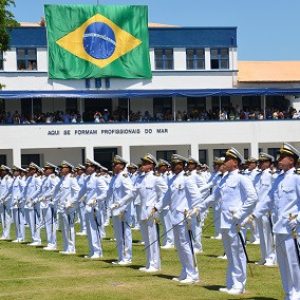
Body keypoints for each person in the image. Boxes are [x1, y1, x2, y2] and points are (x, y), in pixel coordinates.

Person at [199, 148, 258, 295]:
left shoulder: (242, 178)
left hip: (235, 222)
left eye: (228, 160)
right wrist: (199, 207)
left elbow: (253, 198)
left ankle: (239, 285)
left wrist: (240, 214)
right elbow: (215, 197)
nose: (224, 162)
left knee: (238, 254)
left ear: (235, 162)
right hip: (225, 222)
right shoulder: (224, 178)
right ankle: (231, 283)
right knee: (230, 255)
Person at [249, 143, 300, 300]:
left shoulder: (297, 178)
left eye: (282, 157)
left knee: (294, 264)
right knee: (284, 265)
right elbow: (268, 200)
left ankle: (297, 293)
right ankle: (288, 293)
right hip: (279, 228)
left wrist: (297, 218)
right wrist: (253, 215)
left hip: (293, 229)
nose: (279, 160)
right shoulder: (278, 179)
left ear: (291, 160)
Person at [167, 154, 202, 284]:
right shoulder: (172, 180)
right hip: (175, 217)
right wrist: (156, 207)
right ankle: (185, 271)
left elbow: (197, 197)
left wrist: (193, 211)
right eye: (174, 165)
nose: (175, 167)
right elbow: (167, 197)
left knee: (186, 246)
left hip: (184, 217)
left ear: (182, 166)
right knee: (180, 246)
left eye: (177, 165)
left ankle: (193, 274)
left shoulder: (187, 179)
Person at [134, 153, 168, 272]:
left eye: (145, 163)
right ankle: (149, 263)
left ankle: (155, 264)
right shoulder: (141, 178)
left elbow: (166, 193)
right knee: (147, 239)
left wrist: (157, 206)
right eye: (142, 163)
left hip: (151, 212)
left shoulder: (156, 179)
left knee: (152, 239)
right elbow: (133, 193)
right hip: (143, 212)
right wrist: (119, 203)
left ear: (151, 165)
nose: (142, 165)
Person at [79, 159, 108, 259]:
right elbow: (81, 192)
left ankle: (98, 252)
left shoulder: (98, 178)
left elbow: (105, 192)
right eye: (86, 166)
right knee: (89, 231)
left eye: (88, 166)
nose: (86, 168)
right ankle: (92, 251)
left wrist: (96, 199)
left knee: (94, 230)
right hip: (87, 208)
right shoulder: (87, 179)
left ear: (94, 168)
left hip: (95, 208)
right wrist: (74, 201)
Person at [251, 153, 277, 266]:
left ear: (269, 163)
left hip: (267, 210)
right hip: (257, 209)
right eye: (259, 162)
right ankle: (264, 256)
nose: (260, 164)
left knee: (269, 235)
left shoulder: (272, 175)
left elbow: (274, 193)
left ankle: (271, 257)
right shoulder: (257, 176)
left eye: (263, 162)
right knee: (261, 234)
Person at [108, 155, 134, 265]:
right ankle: (121, 257)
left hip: (123, 210)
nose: (114, 166)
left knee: (125, 234)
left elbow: (130, 193)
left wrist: (120, 204)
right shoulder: (115, 178)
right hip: (116, 210)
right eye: (113, 164)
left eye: (116, 164)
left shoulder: (124, 177)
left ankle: (127, 258)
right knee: (118, 235)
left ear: (122, 166)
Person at [54, 161, 80, 254]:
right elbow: (59, 193)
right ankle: (66, 247)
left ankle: (71, 248)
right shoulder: (63, 179)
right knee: (64, 228)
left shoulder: (71, 178)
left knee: (69, 227)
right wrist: (54, 202)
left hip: (69, 208)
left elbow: (78, 192)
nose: (61, 169)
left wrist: (71, 202)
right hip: (62, 207)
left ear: (68, 169)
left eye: (63, 168)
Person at [37, 162, 60, 251]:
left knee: (50, 224)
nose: (45, 170)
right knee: (47, 224)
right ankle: (50, 242)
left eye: (47, 169)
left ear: (51, 170)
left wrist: (45, 196)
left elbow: (54, 189)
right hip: (45, 203)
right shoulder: (47, 178)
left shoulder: (52, 178)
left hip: (49, 203)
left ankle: (52, 243)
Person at [156, 159, 174, 249]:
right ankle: (165, 240)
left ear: (166, 167)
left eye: (162, 166)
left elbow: (169, 189)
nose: (160, 168)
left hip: (167, 203)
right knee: (164, 223)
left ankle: (170, 241)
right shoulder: (160, 175)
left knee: (168, 223)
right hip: (161, 202)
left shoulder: (169, 175)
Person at [24, 162, 43, 246]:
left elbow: (39, 190)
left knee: (35, 221)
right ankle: (33, 238)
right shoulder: (29, 179)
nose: (30, 171)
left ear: (35, 170)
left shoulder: (37, 179)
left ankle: (37, 239)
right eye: (30, 169)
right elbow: (25, 191)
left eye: (32, 169)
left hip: (34, 202)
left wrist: (32, 198)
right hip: (28, 203)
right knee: (30, 221)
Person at [0, 165, 13, 240]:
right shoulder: (2, 179)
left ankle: (6, 234)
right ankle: (4, 234)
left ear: (6, 171)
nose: (1, 172)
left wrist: (6, 199)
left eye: (2, 171)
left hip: (6, 201)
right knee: (2, 218)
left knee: (7, 218)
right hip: (2, 201)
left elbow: (10, 191)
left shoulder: (8, 179)